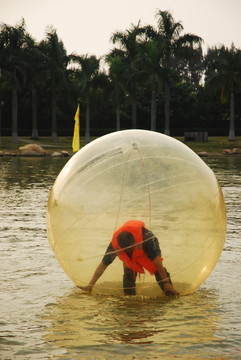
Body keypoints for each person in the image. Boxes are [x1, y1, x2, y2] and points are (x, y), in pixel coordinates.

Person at [78, 220, 179, 297]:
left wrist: (166, 282)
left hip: (148, 245)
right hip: (129, 251)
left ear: (134, 243)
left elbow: (157, 262)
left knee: (157, 271)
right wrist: (90, 285)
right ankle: (130, 300)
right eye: (126, 250)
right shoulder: (114, 246)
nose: (129, 252)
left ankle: (169, 291)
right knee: (128, 274)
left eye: (130, 249)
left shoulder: (146, 240)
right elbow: (103, 265)